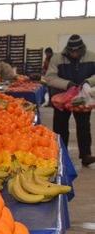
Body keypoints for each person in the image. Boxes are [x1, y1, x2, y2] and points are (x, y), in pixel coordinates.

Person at [44, 34, 95, 166]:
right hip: (62, 98)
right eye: (71, 51)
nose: (74, 54)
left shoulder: (92, 57)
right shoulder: (57, 58)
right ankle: (60, 153)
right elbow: (50, 78)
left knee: (83, 125)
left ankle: (86, 155)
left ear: (82, 49)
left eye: (77, 51)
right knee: (60, 126)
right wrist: (67, 84)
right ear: (67, 49)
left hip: (81, 98)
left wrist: (88, 81)